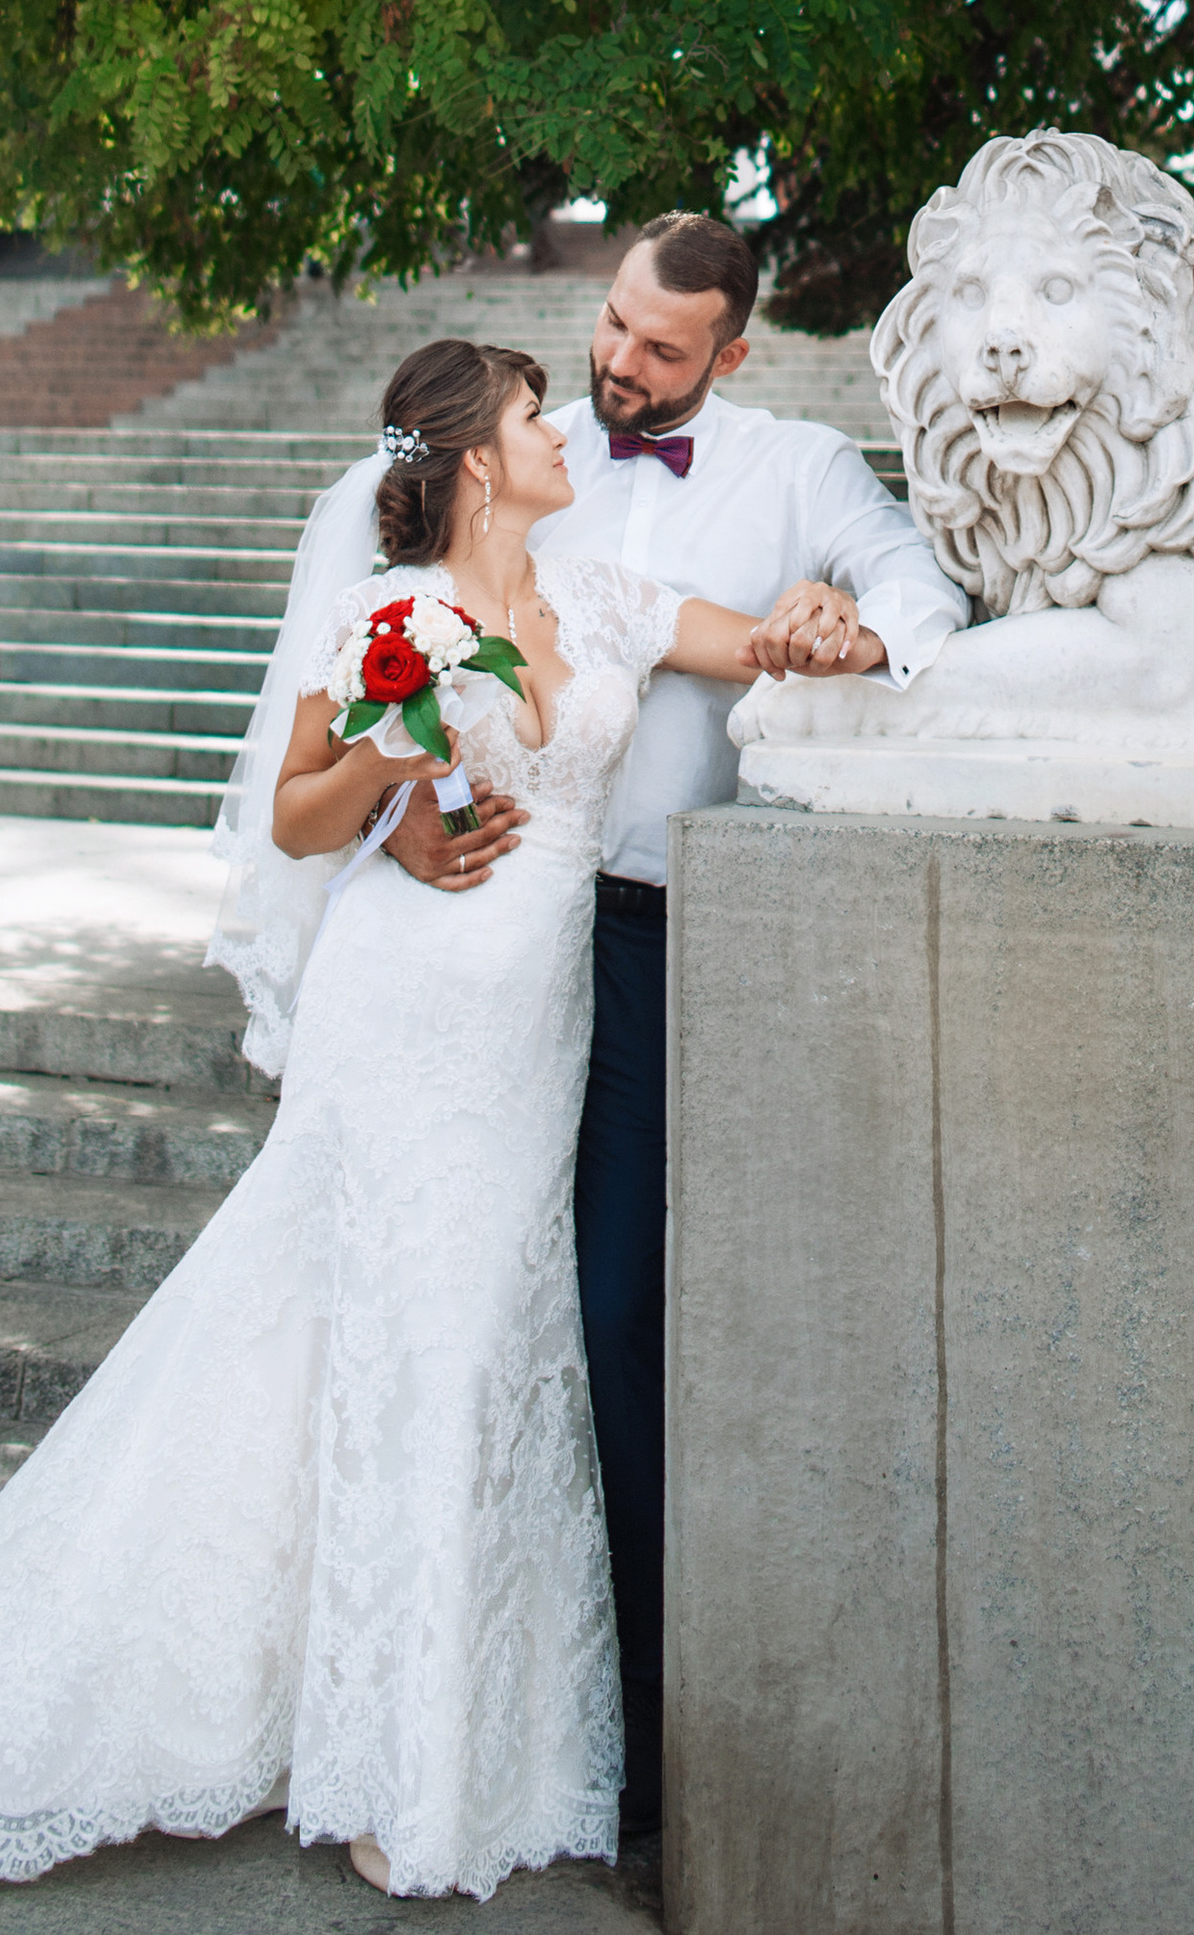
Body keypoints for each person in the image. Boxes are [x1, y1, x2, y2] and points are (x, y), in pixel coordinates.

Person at [0, 334, 867, 1906]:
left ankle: (479, 1737)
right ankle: (379, 1760)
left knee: (490, 1339)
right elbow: (297, 811)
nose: (564, 430)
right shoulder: (391, 615)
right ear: (481, 459)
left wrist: (822, 623)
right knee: (405, 1338)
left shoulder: (606, 594)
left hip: (530, 1018)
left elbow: (749, 638)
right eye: (532, 416)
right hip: (407, 1009)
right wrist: (394, 769)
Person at [374, 214, 967, 1826]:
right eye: (614, 329)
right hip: (487, 941)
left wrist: (857, 629)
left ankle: (630, 1728)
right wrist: (392, 824)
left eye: (660, 349)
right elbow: (397, 655)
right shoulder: (519, 456)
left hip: (660, 943)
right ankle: (440, 1688)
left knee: (616, 1315)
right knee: (479, 1301)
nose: (619, 370)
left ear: (732, 354)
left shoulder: (794, 467)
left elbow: (923, 591)